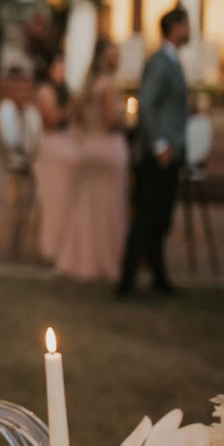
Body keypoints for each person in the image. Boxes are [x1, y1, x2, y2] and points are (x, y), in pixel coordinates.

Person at [116, 6, 191, 296]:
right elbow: (146, 105)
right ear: (175, 27)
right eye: (186, 25)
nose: (189, 31)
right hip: (158, 155)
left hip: (170, 151)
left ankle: (160, 279)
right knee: (148, 217)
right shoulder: (161, 62)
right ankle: (127, 281)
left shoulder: (171, 61)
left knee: (159, 219)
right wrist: (160, 144)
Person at [56, 39, 128, 280]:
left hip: (87, 151)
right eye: (114, 55)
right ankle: (105, 262)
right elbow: (110, 121)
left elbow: (72, 116)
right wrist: (125, 119)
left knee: (86, 210)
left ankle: (81, 261)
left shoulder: (86, 86)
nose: (117, 59)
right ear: (106, 58)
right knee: (108, 211)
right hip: (107, 152)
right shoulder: (107, 85)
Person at [33, 52, 77, 263]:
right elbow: (51, 120)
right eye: (59, 67)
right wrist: (71, 109)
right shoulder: (45, 92)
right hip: (52, 149)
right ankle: (51, 248)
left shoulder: (62, 92)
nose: (63, 72)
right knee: (56, 202)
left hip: (65, 146)